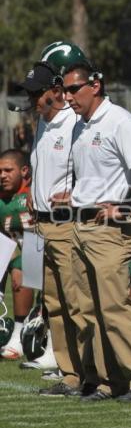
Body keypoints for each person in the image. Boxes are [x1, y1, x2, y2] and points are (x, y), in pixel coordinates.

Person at [62, 60, 131, 402]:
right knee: (86, 309)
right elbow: (87, 174)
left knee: (115, 306)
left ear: (95, 86)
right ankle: (105, 380)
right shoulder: (80, 125)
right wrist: (73, 194)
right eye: (65, 90)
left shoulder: (118, 120)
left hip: (109, 228)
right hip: (80, 222)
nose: (68, 96)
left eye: (74, 88)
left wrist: (126, 204)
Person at [18, 45, 88, 396]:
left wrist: (76, 196)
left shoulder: (75, 122)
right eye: (29, 93)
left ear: (56, 91)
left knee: (76, 303)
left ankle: (88, 370)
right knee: (56, 305)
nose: (32, 99)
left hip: (66, 223)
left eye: (37, 93)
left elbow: (88, 170)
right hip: (42, 223)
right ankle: (69, 372)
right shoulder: (43, 125)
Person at [0, 149, 34, 359]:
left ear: (24, 171)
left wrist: (15, 262)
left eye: (8, 170)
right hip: (22, 252)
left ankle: (20, 332)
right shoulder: (3, 199)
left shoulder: (31, 195)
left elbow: (37, 240)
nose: (2, 175)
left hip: (44, 255)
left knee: (22, 264)